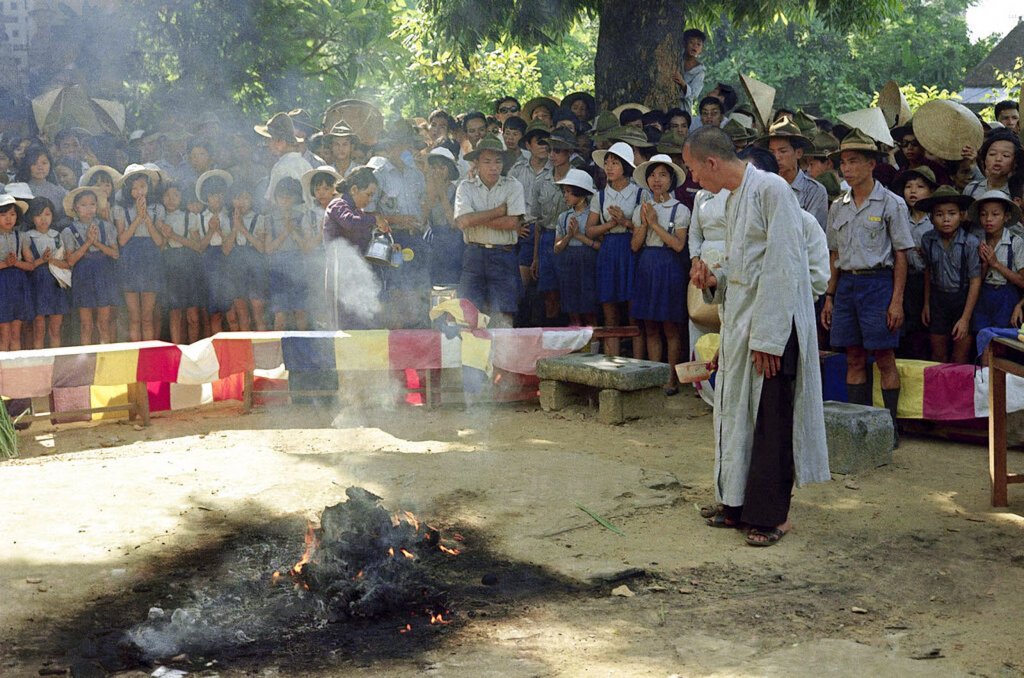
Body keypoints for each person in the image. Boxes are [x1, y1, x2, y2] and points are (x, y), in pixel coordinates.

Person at [686, 126, 829, 546]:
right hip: (742, 323)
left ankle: (772, 517)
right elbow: (743, 268)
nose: (694, 179)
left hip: (774, 327)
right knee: (736, 415)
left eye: (694, 169)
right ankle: (736, 504)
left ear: (712, 163)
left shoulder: (772, 191)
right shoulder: (732, 201)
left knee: (771, 422)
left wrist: (769, 338)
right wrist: (715, 278)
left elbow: (785, 267)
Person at [820, 129, 914, 445]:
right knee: (854, 357)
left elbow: (902, 255)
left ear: (871, 163)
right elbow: (834, 256)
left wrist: (896, 300)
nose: (847, 169)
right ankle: (859, 428)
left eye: (854, 161)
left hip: (879, 284)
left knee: (884, 356)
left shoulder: (891, 203)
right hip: (847, 284)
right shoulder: (838, 206)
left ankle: (889, 428)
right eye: (843, 162)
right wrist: (831, 295)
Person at [629, 154, 690, 394]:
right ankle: (655, 374)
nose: (657, 180)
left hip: (669, 266)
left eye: (663, 175)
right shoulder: (640, 209)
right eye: (653, 175)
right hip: (647, 264)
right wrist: (645, 222)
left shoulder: (681, 210)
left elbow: (678, 245)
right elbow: (634, 245)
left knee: (670, 326)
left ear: (671, 179)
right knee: (650, 325)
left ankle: (671, 378)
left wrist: (654, 224)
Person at [453, 134, 526, 325]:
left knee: (504, 313)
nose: (494, 167)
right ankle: (471, 355)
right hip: (474, 254)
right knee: (468, 313)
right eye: (487, 161)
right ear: (476, 162)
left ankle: (504, 354)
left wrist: (474, 218)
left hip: (504, 254)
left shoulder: (513, 186)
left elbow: (513, 223)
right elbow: (462, 222)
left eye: (498, 161)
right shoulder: (465, 187)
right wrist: (498, 211)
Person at [586, 142, 648, 356]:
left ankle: (638, 363)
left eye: (615, 163)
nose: (609, 167)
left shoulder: (640, 193)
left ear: (626, 166)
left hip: (632, 250)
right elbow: (590, 231)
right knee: (609, 308)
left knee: (634, 311)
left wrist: (625, 221)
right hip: (608, 251)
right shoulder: (600, 196)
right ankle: (611, 362)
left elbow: (645, 228)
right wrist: (612, 224)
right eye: (607, 163)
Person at [917, 186, 981, 363]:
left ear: (961, 215)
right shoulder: (928, 240)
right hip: (938, 300)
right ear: (931, 218)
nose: (946, 219)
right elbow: (928, 272)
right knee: (938, 356)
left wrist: (965, 318)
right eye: (939, 214)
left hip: (963, 300)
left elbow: (975, 281)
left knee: (959, 357)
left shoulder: (970, 242)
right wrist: (927, 304)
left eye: (951, 213)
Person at [323, 166, 388, 329]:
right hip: (340, 273)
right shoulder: (338, 204)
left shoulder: (359, 212)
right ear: (354, 189)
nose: (369, 200)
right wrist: (374, 220)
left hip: (357, 275)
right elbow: (349, 222)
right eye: (368, 194)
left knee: (362, 323)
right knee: (343, 326)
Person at [61, 186, 120, 344]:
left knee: (104, 324)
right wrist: (88, 242)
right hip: (83, 275)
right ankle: (86, 360)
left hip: (103, 273)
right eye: (83, 204)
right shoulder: (69, 231)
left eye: (92, 204)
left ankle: (106, 359)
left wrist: (96, 243)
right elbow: (70, 260)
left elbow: (115, 253)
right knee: (86, 324)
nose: (89, 209)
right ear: (75, 207)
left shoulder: (106, 226)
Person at [892, 167, 938, 359]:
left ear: (931, 192)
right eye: (908, 186)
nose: (913, 191)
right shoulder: (900, 217)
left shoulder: (935, 221)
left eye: (920, 187)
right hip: (904, 280)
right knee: (904, 328)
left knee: (924, 327)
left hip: (928, 283)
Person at [116, 165, 165, 341]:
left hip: (151, 258)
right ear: (128, 190)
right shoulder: (121, 209)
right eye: (134, 188)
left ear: (148, 187)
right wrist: (138, 217)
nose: (139, 191)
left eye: (142, 186)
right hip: (130, 258)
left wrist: (147, 218)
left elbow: (159, 241)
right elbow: (122, 240)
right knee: (134, 317)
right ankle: (136, 351)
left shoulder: (158, 208)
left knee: (147, 317)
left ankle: (150, 355)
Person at [756, 117, 828, 229]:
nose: (776, 157)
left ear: (798, 153)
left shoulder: (814, 191)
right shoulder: (760, 187)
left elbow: (812, 234)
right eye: (771, 152)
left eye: (783, 151)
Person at [155, 182, 203, 344]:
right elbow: (159, 247)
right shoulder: (159, 219)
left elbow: (198, 246)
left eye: (175, 195)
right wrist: (163, 236)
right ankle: (178, 349)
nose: (171, 199)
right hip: (169, 265)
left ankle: (194, 349)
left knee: (193, 315)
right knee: (175, 312)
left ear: (181, 197)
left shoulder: (190, 217)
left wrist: (173, 235)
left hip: (189, 265)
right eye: (167, 195)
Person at [970, 190, 1024, 333]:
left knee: (1001, 343)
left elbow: (1022, 281)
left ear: (1006, 217)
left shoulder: (1015, 242)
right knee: (982, 338)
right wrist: (985, 265)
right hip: (983, 296)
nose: (988, 219)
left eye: (995, 214)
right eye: (983, 214)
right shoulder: (977, 242)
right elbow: (975, 280)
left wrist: (996, 264)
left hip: (1006, 298)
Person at [553, 168, 600, 326]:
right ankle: (578, 348)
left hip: (588, 264)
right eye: (564, 191)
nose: (565, 196)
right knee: (572, 310)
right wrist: (568, 236)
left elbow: (601, 246)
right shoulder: (563, 217)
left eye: (569, 192)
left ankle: (593, 347)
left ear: (580, 193)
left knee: (589, 310)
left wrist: (580, 236)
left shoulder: (593, 215)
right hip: (568, 264)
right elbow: (557, 248)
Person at [22, 197, 68, 348]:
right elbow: (29, 264)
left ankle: (57, 361)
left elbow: (66, 263)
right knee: (39, 328)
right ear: (32, 217)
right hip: (37, 283)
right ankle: (39, 362)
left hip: (56, 282)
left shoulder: (57, 236)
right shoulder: (27, 236)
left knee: (56, 329)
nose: (43, 219)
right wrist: (43, 259)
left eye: (47, 214)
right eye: (38, 215)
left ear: (52, 215)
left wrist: (52, 261)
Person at [264, 176, 310, 331]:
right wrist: (286, 231)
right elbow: (268, 249)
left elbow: (305, 247)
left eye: (289, 197)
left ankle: (303, 349)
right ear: (276, 198)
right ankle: (278, 350)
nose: (285, 200)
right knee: (280, 312)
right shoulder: (269, 219)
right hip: (277, 267)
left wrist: (294, 232)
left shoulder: (302, 217)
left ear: (295, 198)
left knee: (300, 310)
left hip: (298, 265)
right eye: (281, 197)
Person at [195, 170, 236, 334]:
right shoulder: (200, 217)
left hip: (228, 260)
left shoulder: (231, 216)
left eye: (220, 194)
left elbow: (228, 247)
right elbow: (200, 247)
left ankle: (236, 349)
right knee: (215, 312)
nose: (217, 198)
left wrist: (219, 230)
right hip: (209, 262)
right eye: (212, 194)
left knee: (232, 310)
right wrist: (212, 231)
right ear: (206, 197)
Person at [229, 182, 270, 331]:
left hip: (255, 266)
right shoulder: (228, 219)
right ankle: (243, 351)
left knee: (258, 311)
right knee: (242, 313)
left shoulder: (260, 218)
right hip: (236, 265)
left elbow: (261, 247)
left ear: (252, 199)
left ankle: (263, 349)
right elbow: (226, 249)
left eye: (246, 198)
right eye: (238, 198)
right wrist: (235, 226)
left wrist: (242, 228)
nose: (242, 202)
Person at [422, 148, 463, 286]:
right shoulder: (426, 190)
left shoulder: (458, 190)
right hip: (433, 241)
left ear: (450, 169)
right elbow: (422, 220)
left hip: (453, 243)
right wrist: (432, 195)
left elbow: (454, 223)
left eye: (442, 167)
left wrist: (442, 194)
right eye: (434, 167)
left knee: (450, 283)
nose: (437, 171)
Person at [257, 112, 314, 206]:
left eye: (269, 140)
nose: (267, 144)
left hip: (288, 217)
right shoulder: (305, 164)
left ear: (281, 142)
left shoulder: (280, 167)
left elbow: (273, 202)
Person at [0, 194, 32, 350]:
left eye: (12, 214)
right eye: (3, 214)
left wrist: (16, 263)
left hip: (18, 285)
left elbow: (31, 265)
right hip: (2, 286)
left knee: (16, 332)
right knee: (4, 332)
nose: (8, 218)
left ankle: (15, 370)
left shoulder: (22, 236)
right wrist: (6, 263)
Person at [963, 129, 1022, 199]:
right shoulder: (971, 189)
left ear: (1015, 162)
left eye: (1005, 155)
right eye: (992, 154)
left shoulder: (1018, 192)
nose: (998, 159)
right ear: (984, 159)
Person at [673, 28, 706, 114]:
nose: (695, 46)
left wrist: (682, 83)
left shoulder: (700, 71)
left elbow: (693, 95)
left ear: (701, 49)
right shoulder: (675, 58)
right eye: (691, 42)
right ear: (684, 44)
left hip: (683, 110)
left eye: (698, 44)